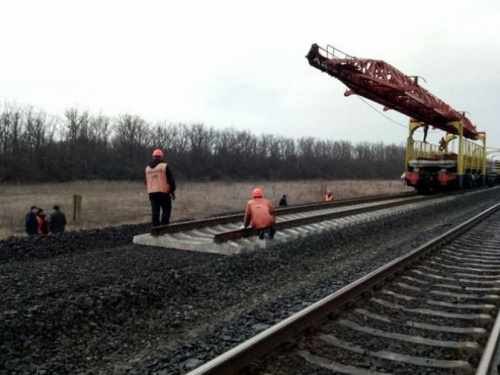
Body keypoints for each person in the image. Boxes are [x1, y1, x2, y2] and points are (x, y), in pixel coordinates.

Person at [145, 148, 176, 227]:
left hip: (152, 192)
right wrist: (172, 190)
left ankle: (156, 227)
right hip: (163, 192)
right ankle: (164, 227)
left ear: (153, 156)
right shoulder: (164, 166)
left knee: (155, 210)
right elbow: (171, 179)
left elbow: (146, 181)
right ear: (161, 157)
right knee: (166, 209)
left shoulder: (147, 168)